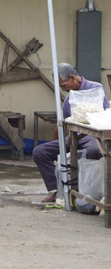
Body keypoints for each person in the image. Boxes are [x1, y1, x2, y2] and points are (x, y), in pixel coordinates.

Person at [33, 62, 109, 203]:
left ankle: (91, 191)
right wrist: (55, 145)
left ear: (73, 78)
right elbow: (62, 125)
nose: (63, 89)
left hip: (92, 136)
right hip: (74, 138)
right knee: (40, 152)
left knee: (94, 150)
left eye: (64, 86)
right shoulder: (69, 98)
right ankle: (56, 190)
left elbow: (104, 117)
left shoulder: (95, 89)